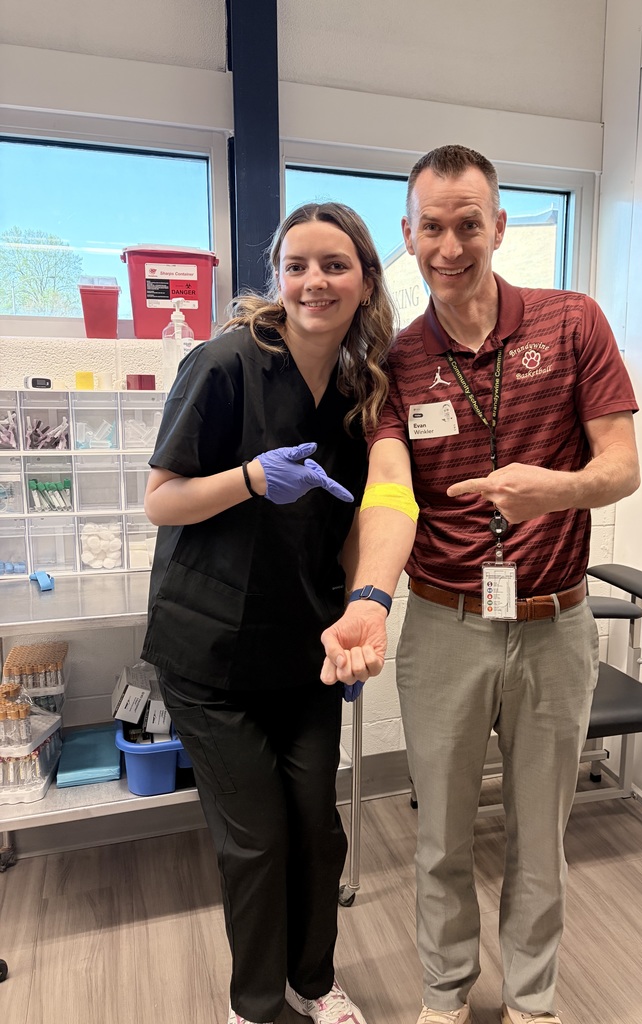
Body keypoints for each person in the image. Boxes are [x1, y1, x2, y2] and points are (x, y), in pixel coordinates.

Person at [320, 145, 640, 1024]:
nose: (451, 245)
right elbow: (390, 492)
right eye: (433, 227)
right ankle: (445, 999)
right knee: (441, 839)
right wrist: (367, 599)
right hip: (447, 626)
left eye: (470, 224)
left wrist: (559, 489)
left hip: (555, 623)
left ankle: (534, 1003)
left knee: (541, 839)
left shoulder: (573, 323)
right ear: (409, 234)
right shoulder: (395, 359)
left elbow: (622, 466)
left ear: (499, 228)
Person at [141, 201, 396, 1024]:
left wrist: (363, 605)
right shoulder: (223, 365)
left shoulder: (361, 391)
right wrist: (249, 479)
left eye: (334, 266)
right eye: (297, 266)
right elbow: (161, 502)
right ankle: (254, 1006)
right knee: (256, 839)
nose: (314, 282)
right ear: (277, 277)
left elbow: (358, 520)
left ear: (364, 281)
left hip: (305, 648)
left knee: (317, 833)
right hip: (210, 653)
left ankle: (314, 984)